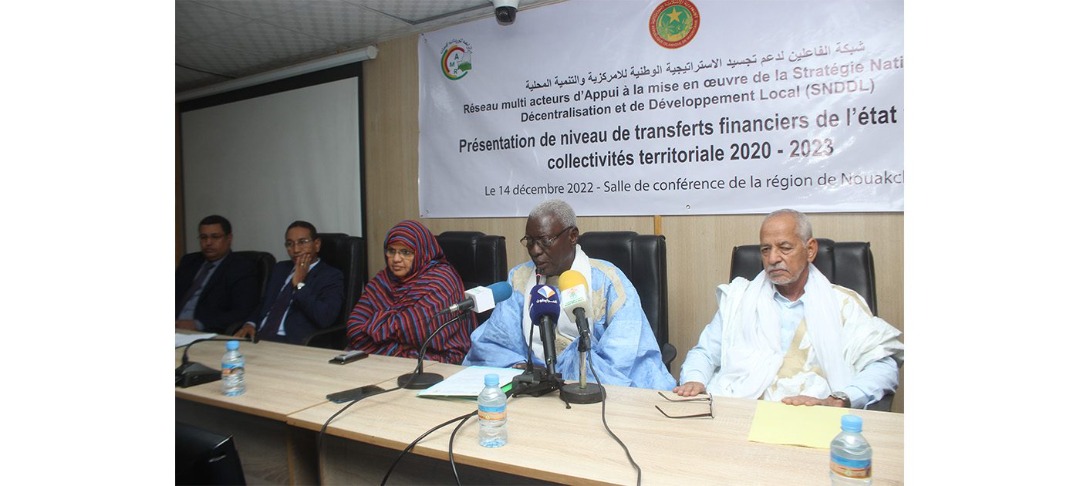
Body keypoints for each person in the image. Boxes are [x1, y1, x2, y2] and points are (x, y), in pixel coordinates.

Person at [674, 209, 904, 409]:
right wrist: (695, 380)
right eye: (765, 250)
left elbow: (882, 365)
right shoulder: (740, 299)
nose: (773, 258)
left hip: (809, 414)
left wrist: (840, 399)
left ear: (810, 249)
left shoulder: (843, 304)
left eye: (784, 248)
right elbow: (705, 353)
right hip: (739, 409)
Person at [463, 199, 676, 390]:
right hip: (534, 391)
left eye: (544, 240)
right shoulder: (519, 278)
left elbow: (624, 355)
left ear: (572, 236)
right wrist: (526, 370)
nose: (535, 250)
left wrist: (567, 373)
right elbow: (496, 343)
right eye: (530, 241)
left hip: (592, 391)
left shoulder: (607, 281)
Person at [345, 220, 477, 363]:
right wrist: (400, 344)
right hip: (391, 357)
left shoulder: (441, 281)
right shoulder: (383, 280)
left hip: (438, 357)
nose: (396, 259)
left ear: (422, 252)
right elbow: (354, 328)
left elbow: (424, 330)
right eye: (391, 251)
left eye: (405, 252)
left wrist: (376, 327)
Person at [233, 221, 344, 345]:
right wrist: (250, 323)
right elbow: (265, 303)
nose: (296, 250)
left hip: (291, 341)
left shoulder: (330, 275)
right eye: (290, 244)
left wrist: (299, 284)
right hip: (258, 337)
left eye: (302, 242)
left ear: (317, 244)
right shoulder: (280, 268)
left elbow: (325, 317)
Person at [176, 215, 260, 334]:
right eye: (203, 237)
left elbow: (242, 312)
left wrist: (198, 324)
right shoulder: (189, 261)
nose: (208, 243)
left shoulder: (242, 267)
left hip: (202, 331)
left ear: (229, 238)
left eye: (215, 237)